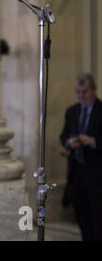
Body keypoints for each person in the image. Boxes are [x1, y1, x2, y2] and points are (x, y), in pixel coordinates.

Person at [60, 73, 102, 241]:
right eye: (78, 92)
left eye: (84, 91)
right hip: (76, 173)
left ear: (94, 90)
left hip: (97, 175)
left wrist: (92, 141)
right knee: (82, 216)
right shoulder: (72, 111)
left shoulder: (101, 110)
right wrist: (69, 142)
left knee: (98, 219)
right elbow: (63, 136)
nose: (81, 96)